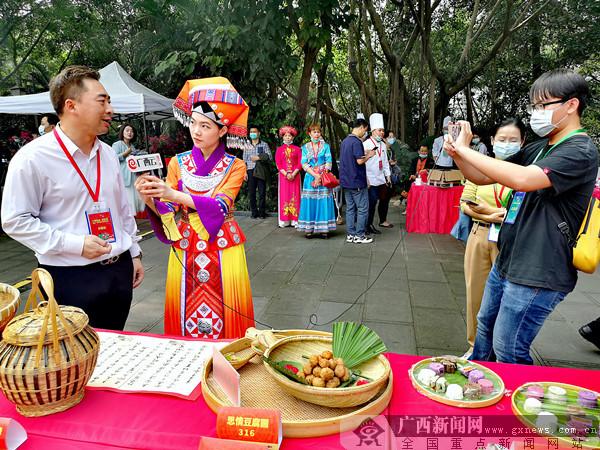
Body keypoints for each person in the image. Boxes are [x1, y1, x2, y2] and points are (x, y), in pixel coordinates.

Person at [444, 69, 598, 364]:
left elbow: (524, 180)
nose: (536, 113)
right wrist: (458, 152)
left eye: (543, 105)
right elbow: (481, 174)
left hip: (538, 269)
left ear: (571, 105)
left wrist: (467, 150)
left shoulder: (580, 150)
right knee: (484, 333)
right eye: (534, 107)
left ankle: (516, 405)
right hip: (509, 259)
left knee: (509, 347)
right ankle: (480, 388)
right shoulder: (541, 147)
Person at [1, 65, 144, 330]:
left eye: (109, 101)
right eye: (102, 101)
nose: (110, 110)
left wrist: (134, 253)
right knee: (72, 358)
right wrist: (75, 244)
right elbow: (15, 221)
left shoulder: (109, 154)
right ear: (71, 105)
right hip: (69, 277)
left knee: (114, 344)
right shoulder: (32, 159)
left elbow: (122, 209)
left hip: (118, 270)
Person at [136, 76, 255, 339]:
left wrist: (172, 193)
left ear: (223, 130)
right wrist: (151, 199)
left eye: (205, 126)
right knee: (184, 305)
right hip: (186, 242)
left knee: (227, 306)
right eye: (193, 123)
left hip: (222, 244)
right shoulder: (177, 162)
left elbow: (220, 207)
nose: (196, 131)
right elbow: (168, 213)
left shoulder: (235, 166)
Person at [460, 118, 526, 358]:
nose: (507, 145)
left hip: (510, 241)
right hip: (479, 235)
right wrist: (496, 214)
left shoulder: (525, 171)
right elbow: (465, 203)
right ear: (492, 141)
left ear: (523, 142)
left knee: (506, 299)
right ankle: (474, 346)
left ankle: (500, 349)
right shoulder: (480, 168)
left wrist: (488, 211)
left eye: (513, 140)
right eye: (502, 140)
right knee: (474, 294)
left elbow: (524, 208)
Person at [297, 123, 336, 238]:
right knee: (309, 202)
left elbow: (329, 161)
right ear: (309, 134)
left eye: (318, 132)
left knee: (323, 201)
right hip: (310, 177)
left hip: (324, 177)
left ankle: (324, 229)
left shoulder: (326, 146)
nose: (316, 134)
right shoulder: (304, 147)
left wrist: (322, 173)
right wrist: (315, 175)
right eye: (314, 132)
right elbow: (303, 163)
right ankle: (309, 229)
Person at [339, 118, 374, 244]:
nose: (364, 133)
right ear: (361, 127)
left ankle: (350, 234)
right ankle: (360, 235)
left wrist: (364, 153)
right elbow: (359, 161)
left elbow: (349, 158)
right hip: (357, 181)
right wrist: (369, 155)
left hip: (346, 181)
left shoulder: (345, 141)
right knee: (363, 209)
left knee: (350, 208)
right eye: (365, 130)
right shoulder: (356, 142)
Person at [364, 113, 392, 234]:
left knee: (377, 202)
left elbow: (385, 162)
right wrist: (366, 179)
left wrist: (388, 176)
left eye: (382, 130)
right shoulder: (365, 144)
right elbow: (362, 163)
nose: (382, 133)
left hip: (381, 179)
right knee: (370, 203)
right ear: (373, 131)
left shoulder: (383, 145)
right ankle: (367, 225)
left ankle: (369, 224)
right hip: (370, 179)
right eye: (380, 130)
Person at [112, 123, 147, 215]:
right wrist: (125, 153)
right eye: (127, 130)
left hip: (134, 176)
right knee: (127, 200)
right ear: (122, 132)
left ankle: (133, 223)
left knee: (133, 201)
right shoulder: (117, 144)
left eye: (131, 131)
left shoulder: (132, 146)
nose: (130, 133)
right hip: (124, 177)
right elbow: (113, 158)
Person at [275, 125, 302, 227]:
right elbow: (278, 163)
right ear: (283, 137)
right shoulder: (279, 149)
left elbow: (300, 163)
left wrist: (294, 173)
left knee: (296, 196)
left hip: (296, 176)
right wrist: (286, 174)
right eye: (285, 136)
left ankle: (295, 220)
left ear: (293, 137)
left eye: (289, 136)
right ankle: (284, 220)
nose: (287, 137)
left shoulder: (298, 149)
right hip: (283, 177)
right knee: (284, 196)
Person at [243, 127, 272, 219]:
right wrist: (244, 173)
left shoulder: (264, 144)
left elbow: (269, 157)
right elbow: (244, 161)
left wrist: (258, 157)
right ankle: (254, 213)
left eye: (254, 132)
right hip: (250, 170)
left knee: (262, 192)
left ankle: (262, 213)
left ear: (258, 133)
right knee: (251, 193)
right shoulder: (246, 145)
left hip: (261, 171)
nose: (252, 133)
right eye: (251, 132)